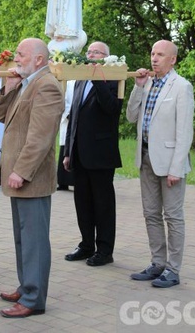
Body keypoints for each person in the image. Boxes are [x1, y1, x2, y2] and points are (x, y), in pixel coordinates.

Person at [0, 38, 64, 319]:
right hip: (20, 176)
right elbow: (3, 118)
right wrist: (8, 89)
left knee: (34, 240)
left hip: (31, 178)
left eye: (22, 54)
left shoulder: (46, 85)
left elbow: (40, 138)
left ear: (39, 59)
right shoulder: (26, 83)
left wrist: (21, 171)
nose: (17, 58)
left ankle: (33, 299)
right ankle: (26, 287)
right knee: (23, 238)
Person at [126, 39, 194, 288]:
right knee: (151, 214)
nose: (154, 58)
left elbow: (185, 132)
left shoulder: (181, 87)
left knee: (173, 217)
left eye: (160, 54)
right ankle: (157, 264)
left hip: (170, 164)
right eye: (153, 53)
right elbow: (131, 116)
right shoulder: (147, 83)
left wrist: (176, 167)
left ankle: (173, 270)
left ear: (173, 59)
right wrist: (137, 87)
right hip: (145, 159)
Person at [63, 41, 122, 266]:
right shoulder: (79, 79)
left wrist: (98, 78)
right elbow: (73, 117)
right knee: (83, 202)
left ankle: (105, 250)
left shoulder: (114, 78)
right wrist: (68, 151)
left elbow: (112, 109)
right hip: (78, 153)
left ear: (106, 57)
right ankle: (86, 245)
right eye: (89, 52)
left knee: (103, 204)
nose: (90, 55)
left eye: (96, 52)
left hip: (101, 154)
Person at [57, 79, 75, 190]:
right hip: (68, 117)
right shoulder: (69, 82)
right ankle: (62, 181)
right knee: (65, 149)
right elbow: (65, 100)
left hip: (79, 119)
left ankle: (74, 180)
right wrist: (68, 114)